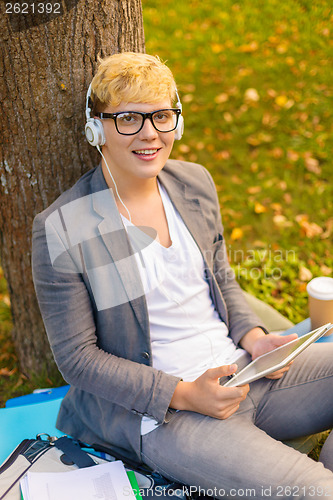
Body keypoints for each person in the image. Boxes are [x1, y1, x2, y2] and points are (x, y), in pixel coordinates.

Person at [32, 52, 333, 499]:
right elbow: (78, 359)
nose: (150, 133)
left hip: (245, 371)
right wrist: (186, 393)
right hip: (167, 416)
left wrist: (253, 338)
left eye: (161, 116)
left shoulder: (194, 183)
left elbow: (221, 277)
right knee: (315, 491)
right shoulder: (62, 227)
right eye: (129, 118)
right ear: (97, 129)